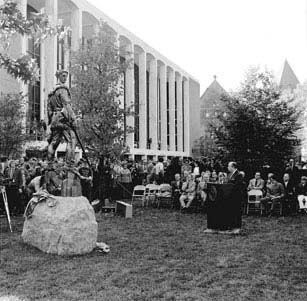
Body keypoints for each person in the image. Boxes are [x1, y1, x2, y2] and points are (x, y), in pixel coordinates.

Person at [47, 70, 77, 165]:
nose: (65, 78)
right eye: (63, 76)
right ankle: (69, 163)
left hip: (54, 119)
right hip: (62, 118)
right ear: (59, 76)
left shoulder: (51, 93)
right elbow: (67, 105)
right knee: (72, 140)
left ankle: (50, 163)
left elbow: (49, 110)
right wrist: (73, 118)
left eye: (66, 76)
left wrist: (51, 121)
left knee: (54, 142)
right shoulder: (63, 90)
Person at [227, 161, 244, 233]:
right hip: (230, 196)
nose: (228, 167)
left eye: (229, 166)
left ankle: (237, 227)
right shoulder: (230, 174)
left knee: (237, 211)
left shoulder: (239, 175)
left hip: (237, 196)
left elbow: (238, 185)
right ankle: (232, 225)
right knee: (231, 211)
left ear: (233, 167)